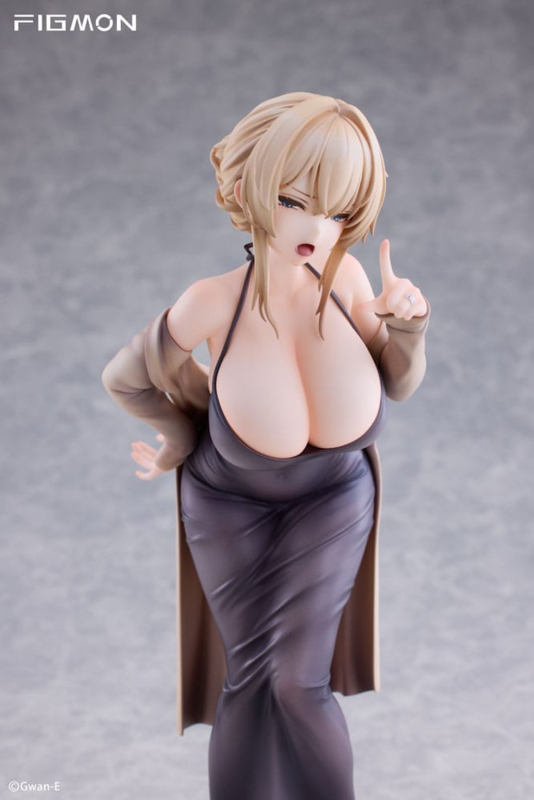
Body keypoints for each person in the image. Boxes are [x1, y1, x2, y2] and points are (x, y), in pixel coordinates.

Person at [102, 92, 430, 800]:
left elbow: (398, 384)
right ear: (250, 184)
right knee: (250, 680)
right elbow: (126, 378)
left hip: (334, 498)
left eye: (337, 212)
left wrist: (409, 326)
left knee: (296, 683)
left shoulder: (346, 281)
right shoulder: (212, 301)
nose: (316, 229)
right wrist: (181, 436)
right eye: (292, 200)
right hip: (228, 503)